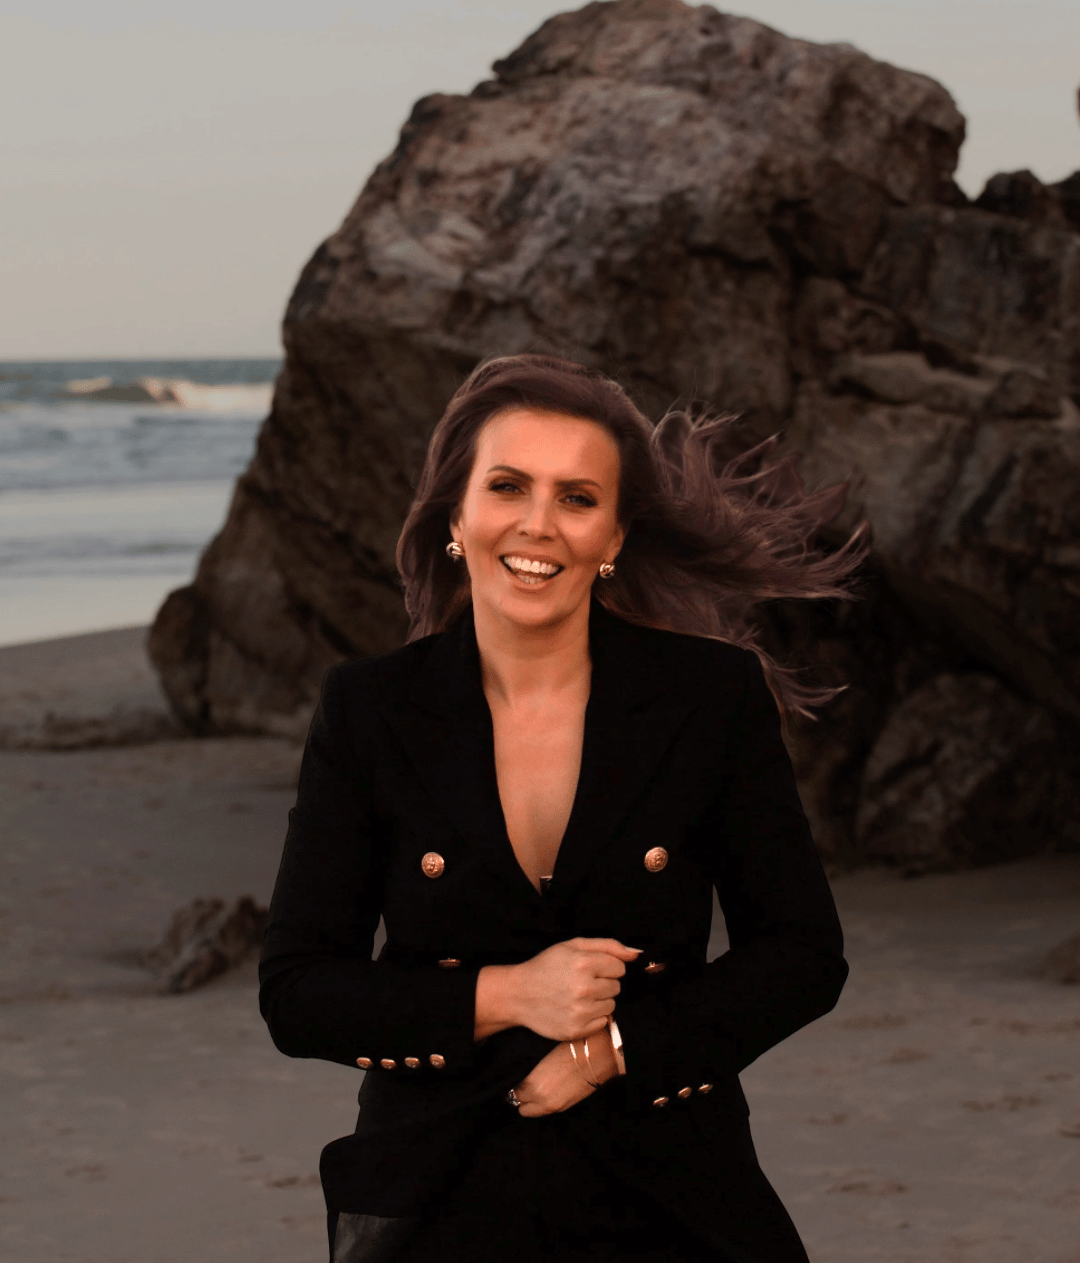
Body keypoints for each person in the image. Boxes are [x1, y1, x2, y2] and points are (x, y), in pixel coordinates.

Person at [259, 355, 865, 1263]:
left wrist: (615, 1049)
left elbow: (804, 954)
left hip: (670, 1185)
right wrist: (506, 995)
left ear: (613, 535)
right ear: (455, 516)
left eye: (577, 498)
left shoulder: (710, 698)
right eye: (507, 485)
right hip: (433, 1192)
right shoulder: (370, 709)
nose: (537, 524)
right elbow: (298, 991)